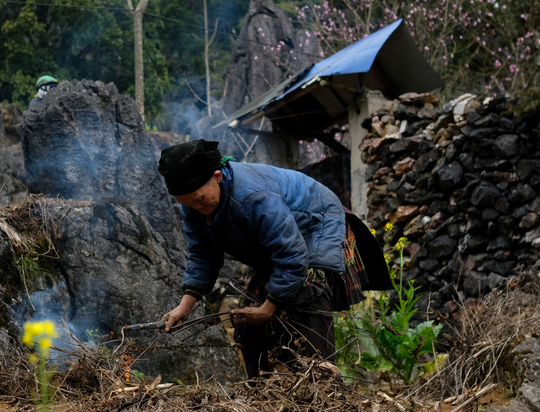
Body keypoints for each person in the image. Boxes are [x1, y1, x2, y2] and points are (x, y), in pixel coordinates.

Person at [157, 139, 390, 378]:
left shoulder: (253, 197)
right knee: (248, 321)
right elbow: (203, 254)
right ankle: (262, 390)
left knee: (306, 296)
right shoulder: (193, 205)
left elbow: (292, 254)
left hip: (316, 223)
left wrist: (268, 308)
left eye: (198, 199)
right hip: (279, 243)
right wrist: (184, 307)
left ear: (217, 176)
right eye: (186, 203)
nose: (195, 207)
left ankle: (318, 382)